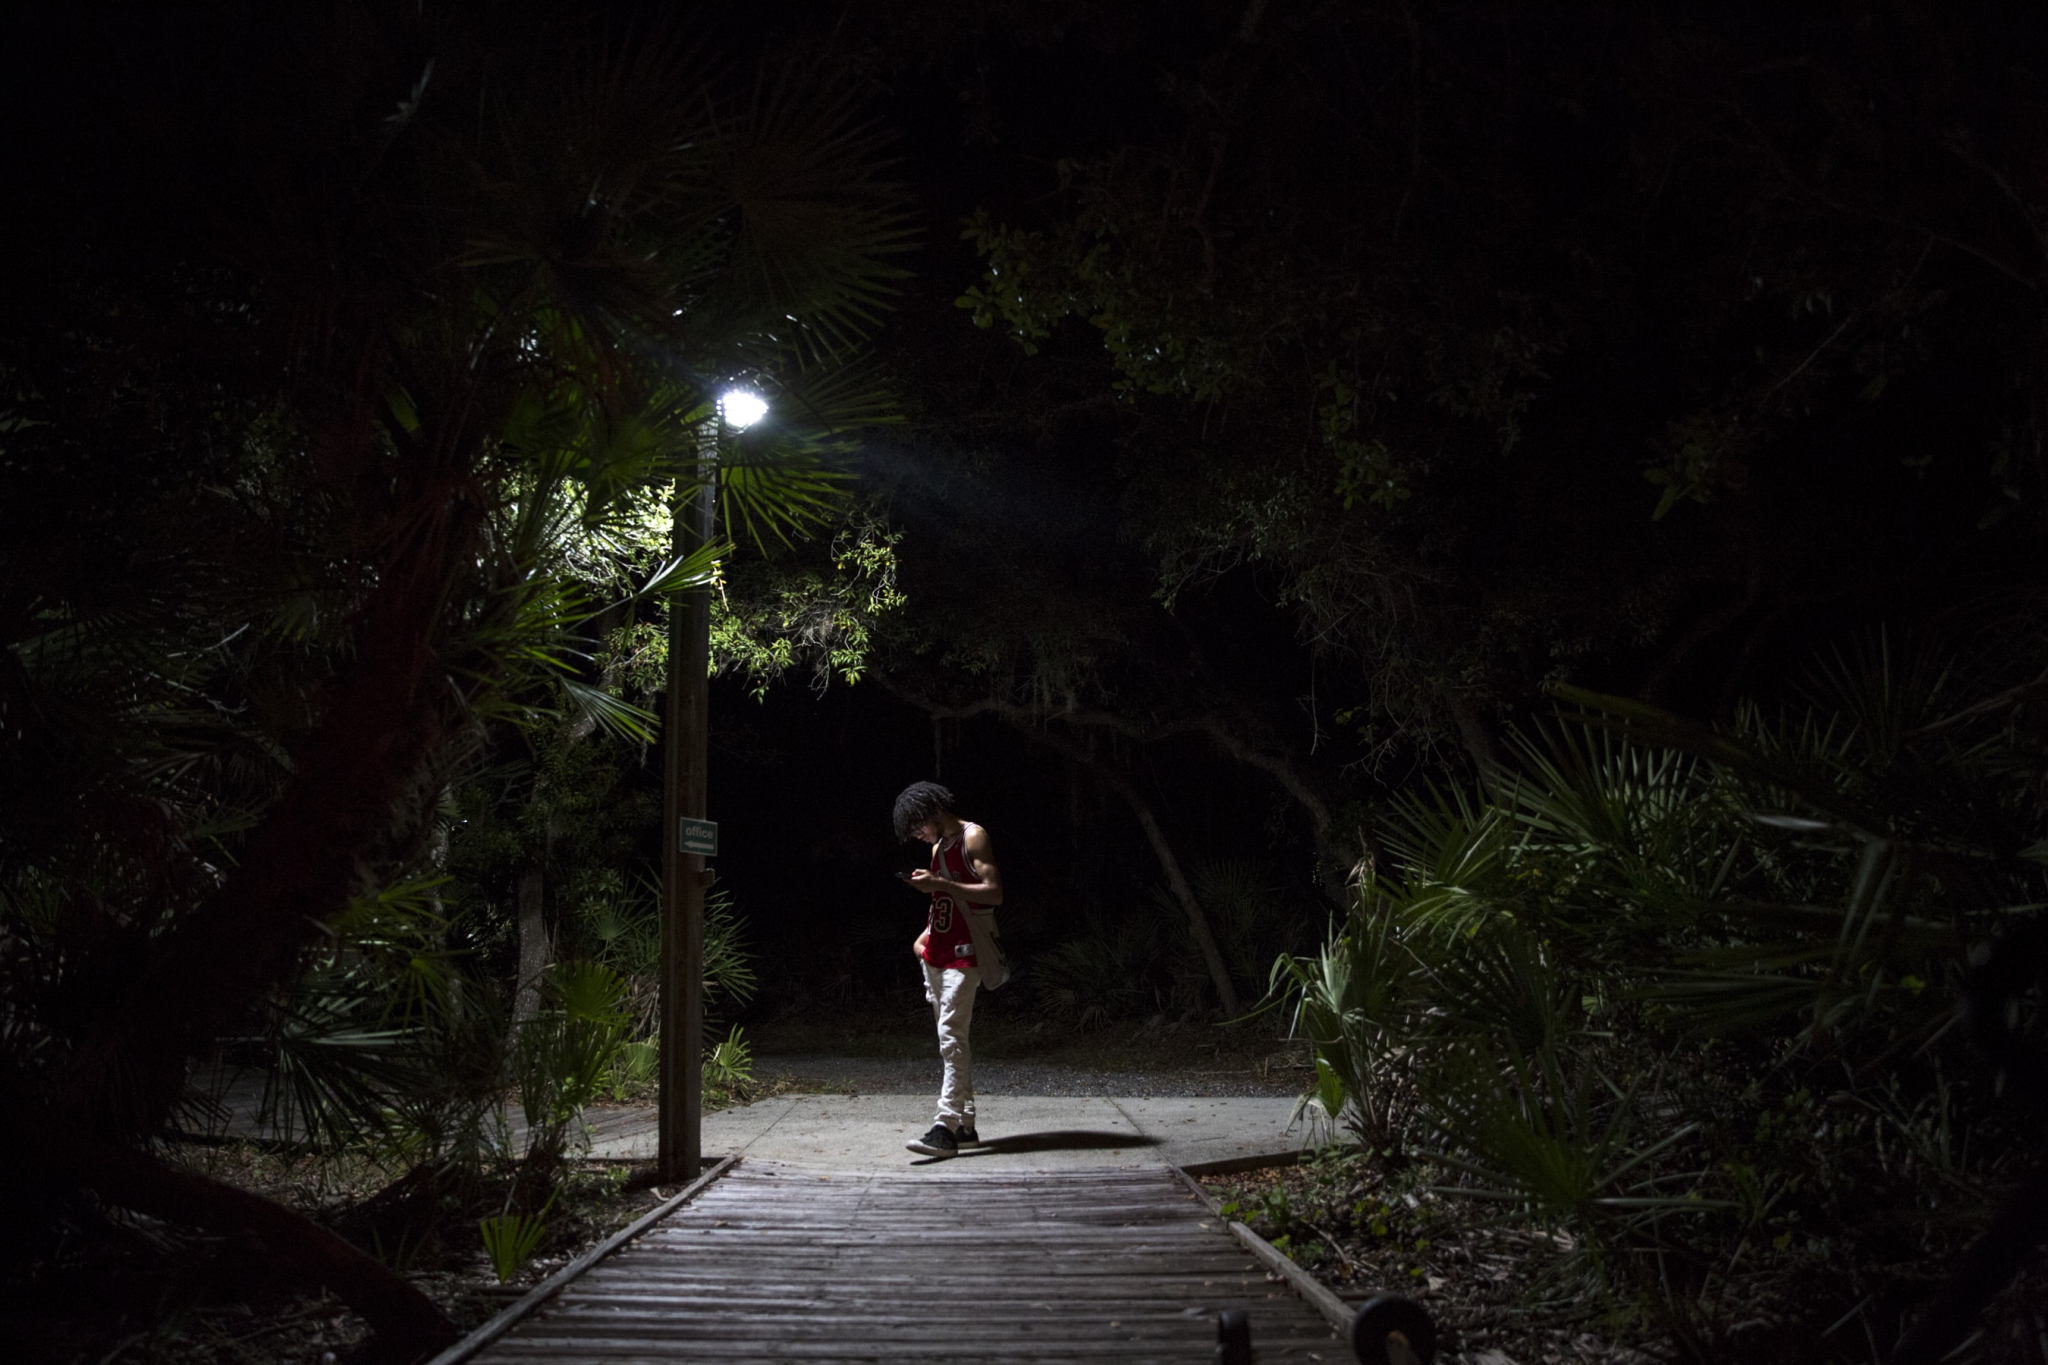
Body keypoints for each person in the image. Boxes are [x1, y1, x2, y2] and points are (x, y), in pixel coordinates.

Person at [893, 781, 1005, 1159]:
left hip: (966, 954)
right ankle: (966, 1127)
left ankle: (944, 1128)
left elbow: (994, 893)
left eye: (918, 826)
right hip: (937, 954)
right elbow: (944, 901)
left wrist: (939, 883)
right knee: (953, 1042)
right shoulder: (938, 848)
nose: (917, 835)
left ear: (933, 811)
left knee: (951, 1038)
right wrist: (924, 938)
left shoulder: (973, 836)